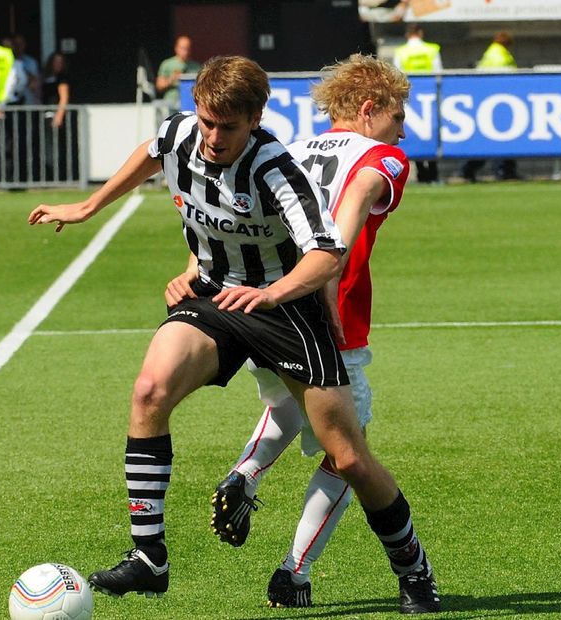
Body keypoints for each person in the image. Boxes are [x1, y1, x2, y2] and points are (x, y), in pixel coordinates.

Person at [27, 55, 439, 615]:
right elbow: (151, 156)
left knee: (347, 457)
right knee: (150, 390)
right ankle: (149, 559)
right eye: (206, 122)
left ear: (256, 119)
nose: (213, 137)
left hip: (285, 309)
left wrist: (271, 294)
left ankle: (413, 567)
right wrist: (89, 205)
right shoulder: (179, 132)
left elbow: (326, 252)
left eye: (228, 126)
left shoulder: (277, 168)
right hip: (219, 296)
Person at [211, 53, 436, 612]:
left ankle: (246, 472)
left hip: (262, 308)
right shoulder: (384, 157)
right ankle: (295, 571)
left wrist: (195, 269)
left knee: (291, 405)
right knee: (346, 450)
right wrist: (329, 278)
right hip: (326, 316)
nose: (403, 128)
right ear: (368, 109)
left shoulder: (293, 151)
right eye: (398, 113)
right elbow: (358, 193)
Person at [460, 31, 521, 182]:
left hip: (491, 101)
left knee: (487, 141)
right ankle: (501, 171)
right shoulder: (499, 55)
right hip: (499, 100)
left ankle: (470, 170)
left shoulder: (492, 52)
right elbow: (507, 76)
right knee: (498, 141)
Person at [393, 24, 440, 184]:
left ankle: (421, 172)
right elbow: (439, 72)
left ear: (407, 35)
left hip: (410, 98)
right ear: (421, 33)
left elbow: (397, 75)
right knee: (431, 132)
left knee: (414, 132)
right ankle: (433, 173)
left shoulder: (401, 52)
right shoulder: (432, 49)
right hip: (430, 96)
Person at [40, 52, 72, 180]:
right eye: (55, 62)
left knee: (54, 148)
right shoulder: (46, 77)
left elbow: (64, 98)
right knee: (46, 147)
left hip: (54, 116)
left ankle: (58, 176)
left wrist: (59, 115)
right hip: (45, 115)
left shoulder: (62, 79)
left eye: (60, 62)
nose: (58, 65)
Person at [156, 35, 201, 114]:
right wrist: (171, 79)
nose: (185, 51)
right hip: (171, 104)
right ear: (176, 48)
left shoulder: (196, 67)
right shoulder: (167, 64)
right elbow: (159, 86)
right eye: (183, 48)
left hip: (190, 104)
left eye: (187, 48)